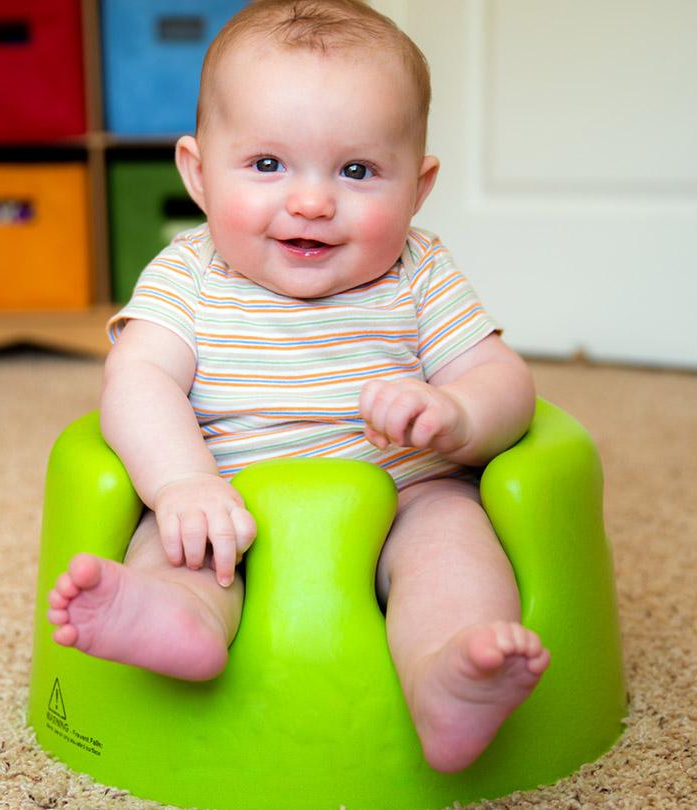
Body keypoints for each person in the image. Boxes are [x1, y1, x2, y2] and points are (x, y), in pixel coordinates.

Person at [47, 0, 549, 773]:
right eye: (267, 164)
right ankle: (176, 623)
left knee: (454, 544)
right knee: (175, 546)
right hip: (227, 494)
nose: (311, 201)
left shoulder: (422, 270)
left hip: (402, 492)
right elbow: (137, 379)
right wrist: (182, 483)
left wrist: (457, 413)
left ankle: (449, 672)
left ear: (418, 188)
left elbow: (504, 381)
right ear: (199, 174)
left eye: (356, 171)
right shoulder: (188, 274)